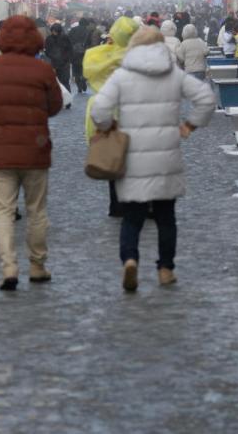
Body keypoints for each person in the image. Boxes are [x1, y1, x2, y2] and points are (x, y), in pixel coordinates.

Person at [90, 26, 215, 292]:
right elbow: (205, 97)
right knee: (166, 218)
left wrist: (108, 125)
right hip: (166, 156)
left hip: (132, 156)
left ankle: (130, 260)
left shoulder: (122, 76)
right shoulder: (173, 75)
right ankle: (166, 269)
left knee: (132, 217)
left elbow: (99, 108)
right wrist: (189, 125)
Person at [0, 15, 63, 291]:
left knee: (2, 212)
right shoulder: (43, 70)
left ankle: (8, 268)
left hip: (0, 150)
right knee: (36, 210)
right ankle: (37, 265)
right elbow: (55, 105)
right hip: (35, 150)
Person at [83, 16, 141, 218]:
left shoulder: (100, 56)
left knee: (113, 159)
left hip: (107, 111)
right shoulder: (140, 56)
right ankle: (136, 203)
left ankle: (115, 205)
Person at [44, 22, 74, 93]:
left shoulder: (65, 37)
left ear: (59, 30)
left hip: (64, 64)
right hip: (53, 64)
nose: (54, 32)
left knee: (65, 81)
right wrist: (52, 56)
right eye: (53, 30)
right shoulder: (49, 39)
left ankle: (67, 98)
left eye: (56, 31)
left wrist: (67, 59)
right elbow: (47, 50)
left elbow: (70, 49)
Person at [68, 18, 94, 93]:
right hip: (84, 53)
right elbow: (90, 43)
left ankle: (79, 85)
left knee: (76, 71)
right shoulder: (88, 31)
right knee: (84, 69)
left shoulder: (73, 30)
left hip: (74, 53)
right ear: (86, 24)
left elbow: (68, 39)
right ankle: (83, 80)